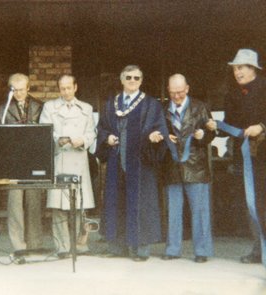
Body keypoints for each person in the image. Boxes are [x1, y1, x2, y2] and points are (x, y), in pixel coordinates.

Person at [96, 65, 167, 261]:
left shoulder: (151, 105)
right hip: (116, 161)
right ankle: (117, 248)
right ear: (122, 80)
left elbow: (160, 127)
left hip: (140, 162)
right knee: (116, 201)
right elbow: (101, 128)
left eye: (137, 78)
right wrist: (107, 137)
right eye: (129, 77)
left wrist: (155, 135)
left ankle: (140, 250)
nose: (133, 81)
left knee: (141, 204)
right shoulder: (112, 104)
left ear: (141, 81)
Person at [207, 48, 266, 264]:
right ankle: (258, 249)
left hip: (264, 155)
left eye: (241, 67)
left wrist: (262, 126)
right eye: (235, 68)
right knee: (253, 204)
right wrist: (216, 126)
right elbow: (231, 126)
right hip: (245, 157)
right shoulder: (231, 94)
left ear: (253, 69)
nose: (237, 72)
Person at [39, 74, 96, 258]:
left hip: (78, 160)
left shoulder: (86, 108)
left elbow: (91, 133)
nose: (65, 92)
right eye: (62, 88)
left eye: (68, 88)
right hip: (60, 159)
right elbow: (44, 130)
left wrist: (83, 140)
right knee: (59, 207)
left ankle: (80, 245)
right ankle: (62, 247)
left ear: (75, 87)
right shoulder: (50, 107)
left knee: (80, 205)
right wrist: (58, 140)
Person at [161, 74, 214, 263]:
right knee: (173, 210)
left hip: (196, 165)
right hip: (172, 165)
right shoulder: (162, 108)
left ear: (188, 88)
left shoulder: (201, 107)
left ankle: (202, 251)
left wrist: (204, 135)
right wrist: (162, 136)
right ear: (168, 90)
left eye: (181, 92)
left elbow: (212, 132)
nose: (177, 96)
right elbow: (157, 132)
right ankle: (173, 249)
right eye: (173, 92)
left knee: (199, 211)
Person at [0, 73, 44, 263]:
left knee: (34, 201)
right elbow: (0, 133)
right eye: (14, 90)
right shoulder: (3, 108)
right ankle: (18, 245)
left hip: (33, 160)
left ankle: (35, 244)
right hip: (14, 161)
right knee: (15, 203)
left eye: (21, 89)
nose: (17, 93)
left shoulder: (39, 106)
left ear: (28, 88)